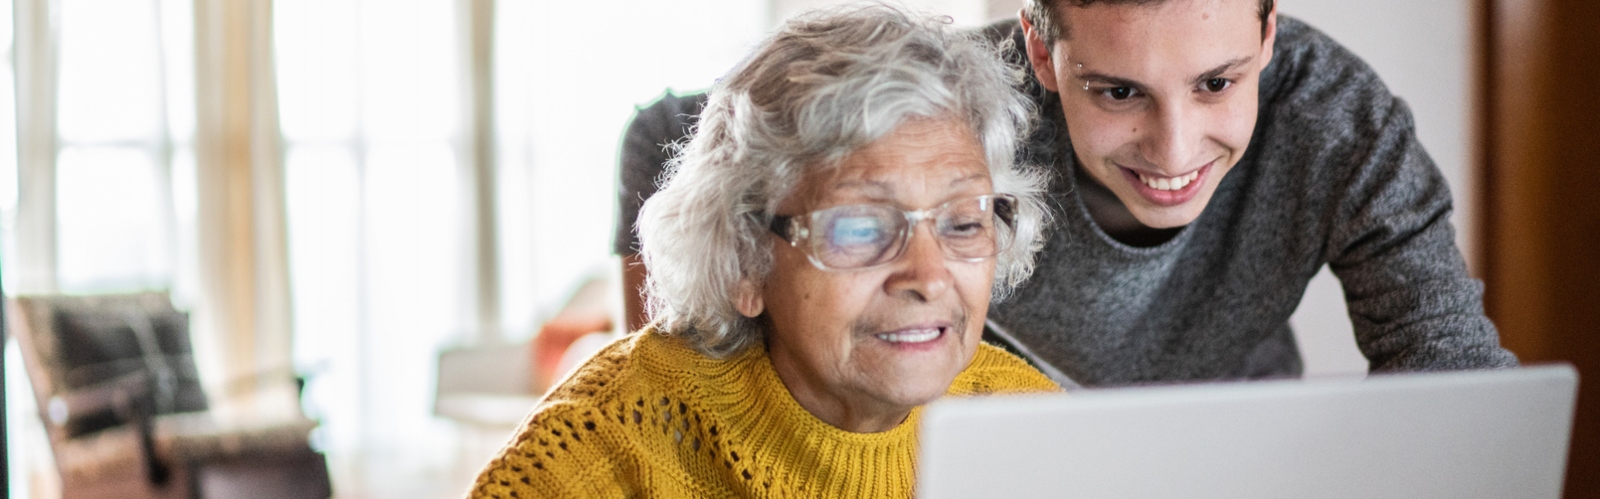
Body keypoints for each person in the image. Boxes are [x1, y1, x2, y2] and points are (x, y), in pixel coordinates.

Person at [609, 0, 1517, 388]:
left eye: (1217, 84)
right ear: (1042, 53)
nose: (1175, 151)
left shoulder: (1343, 126)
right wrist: (677, 379)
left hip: (1228, 448)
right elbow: (668, 135)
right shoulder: (965, 98)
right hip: (1003, 448)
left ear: (1268, 32)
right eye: (1118, 92)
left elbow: (1453, 371)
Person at [469, 6, 1059, 496]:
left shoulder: (1034, 426)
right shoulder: (603, 448)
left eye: (961, 223)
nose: (928, 277)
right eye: (861, 228)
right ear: (745, 259)